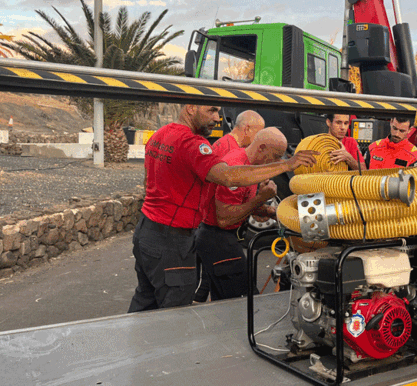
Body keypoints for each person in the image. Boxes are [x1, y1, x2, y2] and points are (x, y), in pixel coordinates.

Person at [127, 104, 316, 312]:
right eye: (211, 110)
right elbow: (227, 177)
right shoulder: (193, 143)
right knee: (175, 313)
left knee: (145, 303)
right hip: (172, 239)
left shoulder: (160, 134)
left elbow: (148, 182)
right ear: (190, 108)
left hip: (147, 230)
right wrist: (287, 165)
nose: (218, 118)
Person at [195, 127, 287, 301]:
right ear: (261, 148)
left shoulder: (249, 165)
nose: (276, 163)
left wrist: (270, 211)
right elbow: (225, 218)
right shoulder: (237, 167)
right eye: (275, 157)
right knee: (245, 300)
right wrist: (260, 199)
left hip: (222, 237)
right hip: (217, 237)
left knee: (225, 301)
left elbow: (242, 205)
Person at [194, 110, 264, 303]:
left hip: (215, 230)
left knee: (211, 287)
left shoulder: (233, 148)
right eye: (259, 133)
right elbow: (224, 202)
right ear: (247, 129)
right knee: (217, 288)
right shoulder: (228, 150)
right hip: (214, 229)